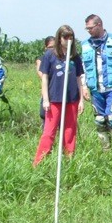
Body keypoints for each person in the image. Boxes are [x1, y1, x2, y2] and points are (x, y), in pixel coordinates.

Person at [33, 25, 86, 166]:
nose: (68, 40)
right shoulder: (50, 55)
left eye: (71, 37)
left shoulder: (75, 57)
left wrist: (81, 100)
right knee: (49, 132)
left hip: (72, 99)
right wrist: (45, 99)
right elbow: (44, 78)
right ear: (59, 38)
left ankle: (69, 160)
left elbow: (78, 79)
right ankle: (40, 161)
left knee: (69, 131)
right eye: (65, 37)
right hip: (54, 99)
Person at [80, 14, 112, 149]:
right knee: (100, 120)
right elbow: (84, 68)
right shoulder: (85, 45)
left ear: (99, 25)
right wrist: (84, 86)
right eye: (87, 29)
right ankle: (106, 149)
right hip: (95, 88)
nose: (88, 31)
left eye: (90, 28)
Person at [36, 36, 55, 127]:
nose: (52, 49)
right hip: (47, 90)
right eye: (50, 47)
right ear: (45, 47)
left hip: (58, 91)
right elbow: (41, 73)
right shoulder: (42, 59)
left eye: (54, 47)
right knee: (44, 114)